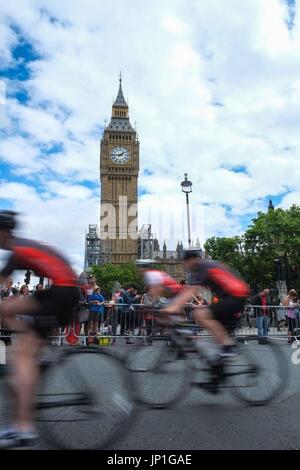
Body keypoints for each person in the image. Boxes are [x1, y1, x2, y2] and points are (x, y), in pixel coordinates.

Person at [0, 210, 80, 448]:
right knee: (5, 309)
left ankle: (22, 428)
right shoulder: (23, 247)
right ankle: (27, 338)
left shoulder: (17, 251)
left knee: (23, 356)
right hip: (60, 291)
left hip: (62, 295)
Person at [163, 248, 250, 358]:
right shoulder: (208, 265)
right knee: (218, 330)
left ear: (192, 260)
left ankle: (228, 347)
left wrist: (172, 307)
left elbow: (191, 291)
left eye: (185, 262)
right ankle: (221, 361)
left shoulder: (201, 267)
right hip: (237, 295)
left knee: (199, 314)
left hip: (234, 296)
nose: (184, 265)